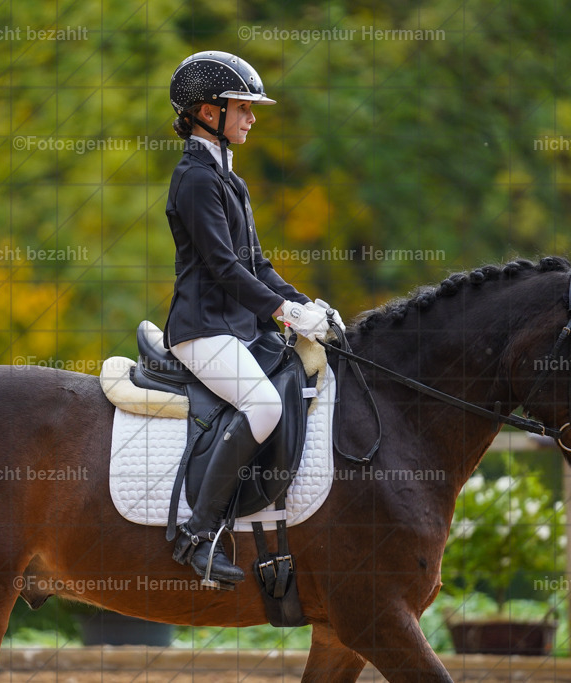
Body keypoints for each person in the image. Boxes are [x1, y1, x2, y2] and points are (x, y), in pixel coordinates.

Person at [163, 51, 344, 587]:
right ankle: (197, 536)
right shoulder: (195, 179)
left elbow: (256, 264)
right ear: (206, 112)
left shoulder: (227, 177)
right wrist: (283, 312)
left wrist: (307, 304)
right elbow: (221, 267)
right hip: (202, 330)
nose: (252, 117)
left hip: (239, 327)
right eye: (243, 107)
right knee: (262, 405)